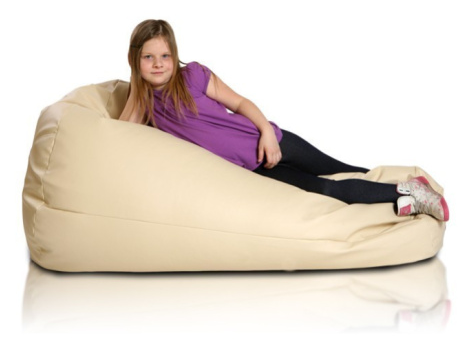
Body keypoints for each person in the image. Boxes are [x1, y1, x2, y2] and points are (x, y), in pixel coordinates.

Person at [119, 19, 449, 222]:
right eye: (148, 57)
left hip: (273, 141)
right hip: (256, 169)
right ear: (136, 60)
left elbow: (240, 102)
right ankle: (409, 196)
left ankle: (410, 188)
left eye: (165, 56)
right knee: (326, 189)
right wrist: (136, 83)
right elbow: (119, 134)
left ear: (175, 56)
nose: (158, 64)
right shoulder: (144, 102)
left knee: (343, 170)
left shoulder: (192, 76)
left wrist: (265, 132)